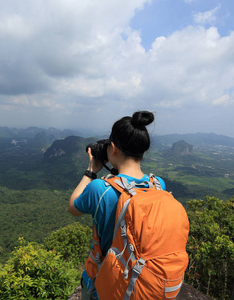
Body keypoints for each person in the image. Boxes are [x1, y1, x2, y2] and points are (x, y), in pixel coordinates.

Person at [68, 111, 166, 299]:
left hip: (108, 283)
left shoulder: (100, 189)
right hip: (144, 280)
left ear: (113, 148)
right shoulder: (159, 185)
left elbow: (73, 207)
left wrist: (90, 171)